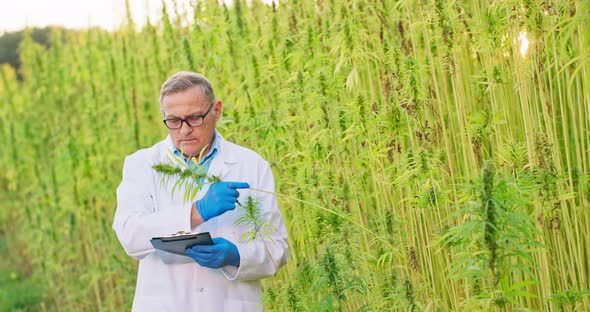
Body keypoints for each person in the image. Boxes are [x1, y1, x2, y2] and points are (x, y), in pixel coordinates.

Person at [112, 71, 289, 311]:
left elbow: (276, 248)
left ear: (216, 111)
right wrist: (198, 211)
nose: (184, 130)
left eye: (194, 118)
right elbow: (130, 236)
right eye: (173, 121)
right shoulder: (142, 164)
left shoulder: (251, 165)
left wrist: (236, 256)